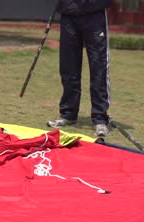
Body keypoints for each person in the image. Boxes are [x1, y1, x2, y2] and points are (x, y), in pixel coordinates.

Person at [47, 0, 112, 137]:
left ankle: (100, 118)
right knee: (68, 66)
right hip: (69, 12)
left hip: (94, 12)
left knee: (98, 67)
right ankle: (68, 114)